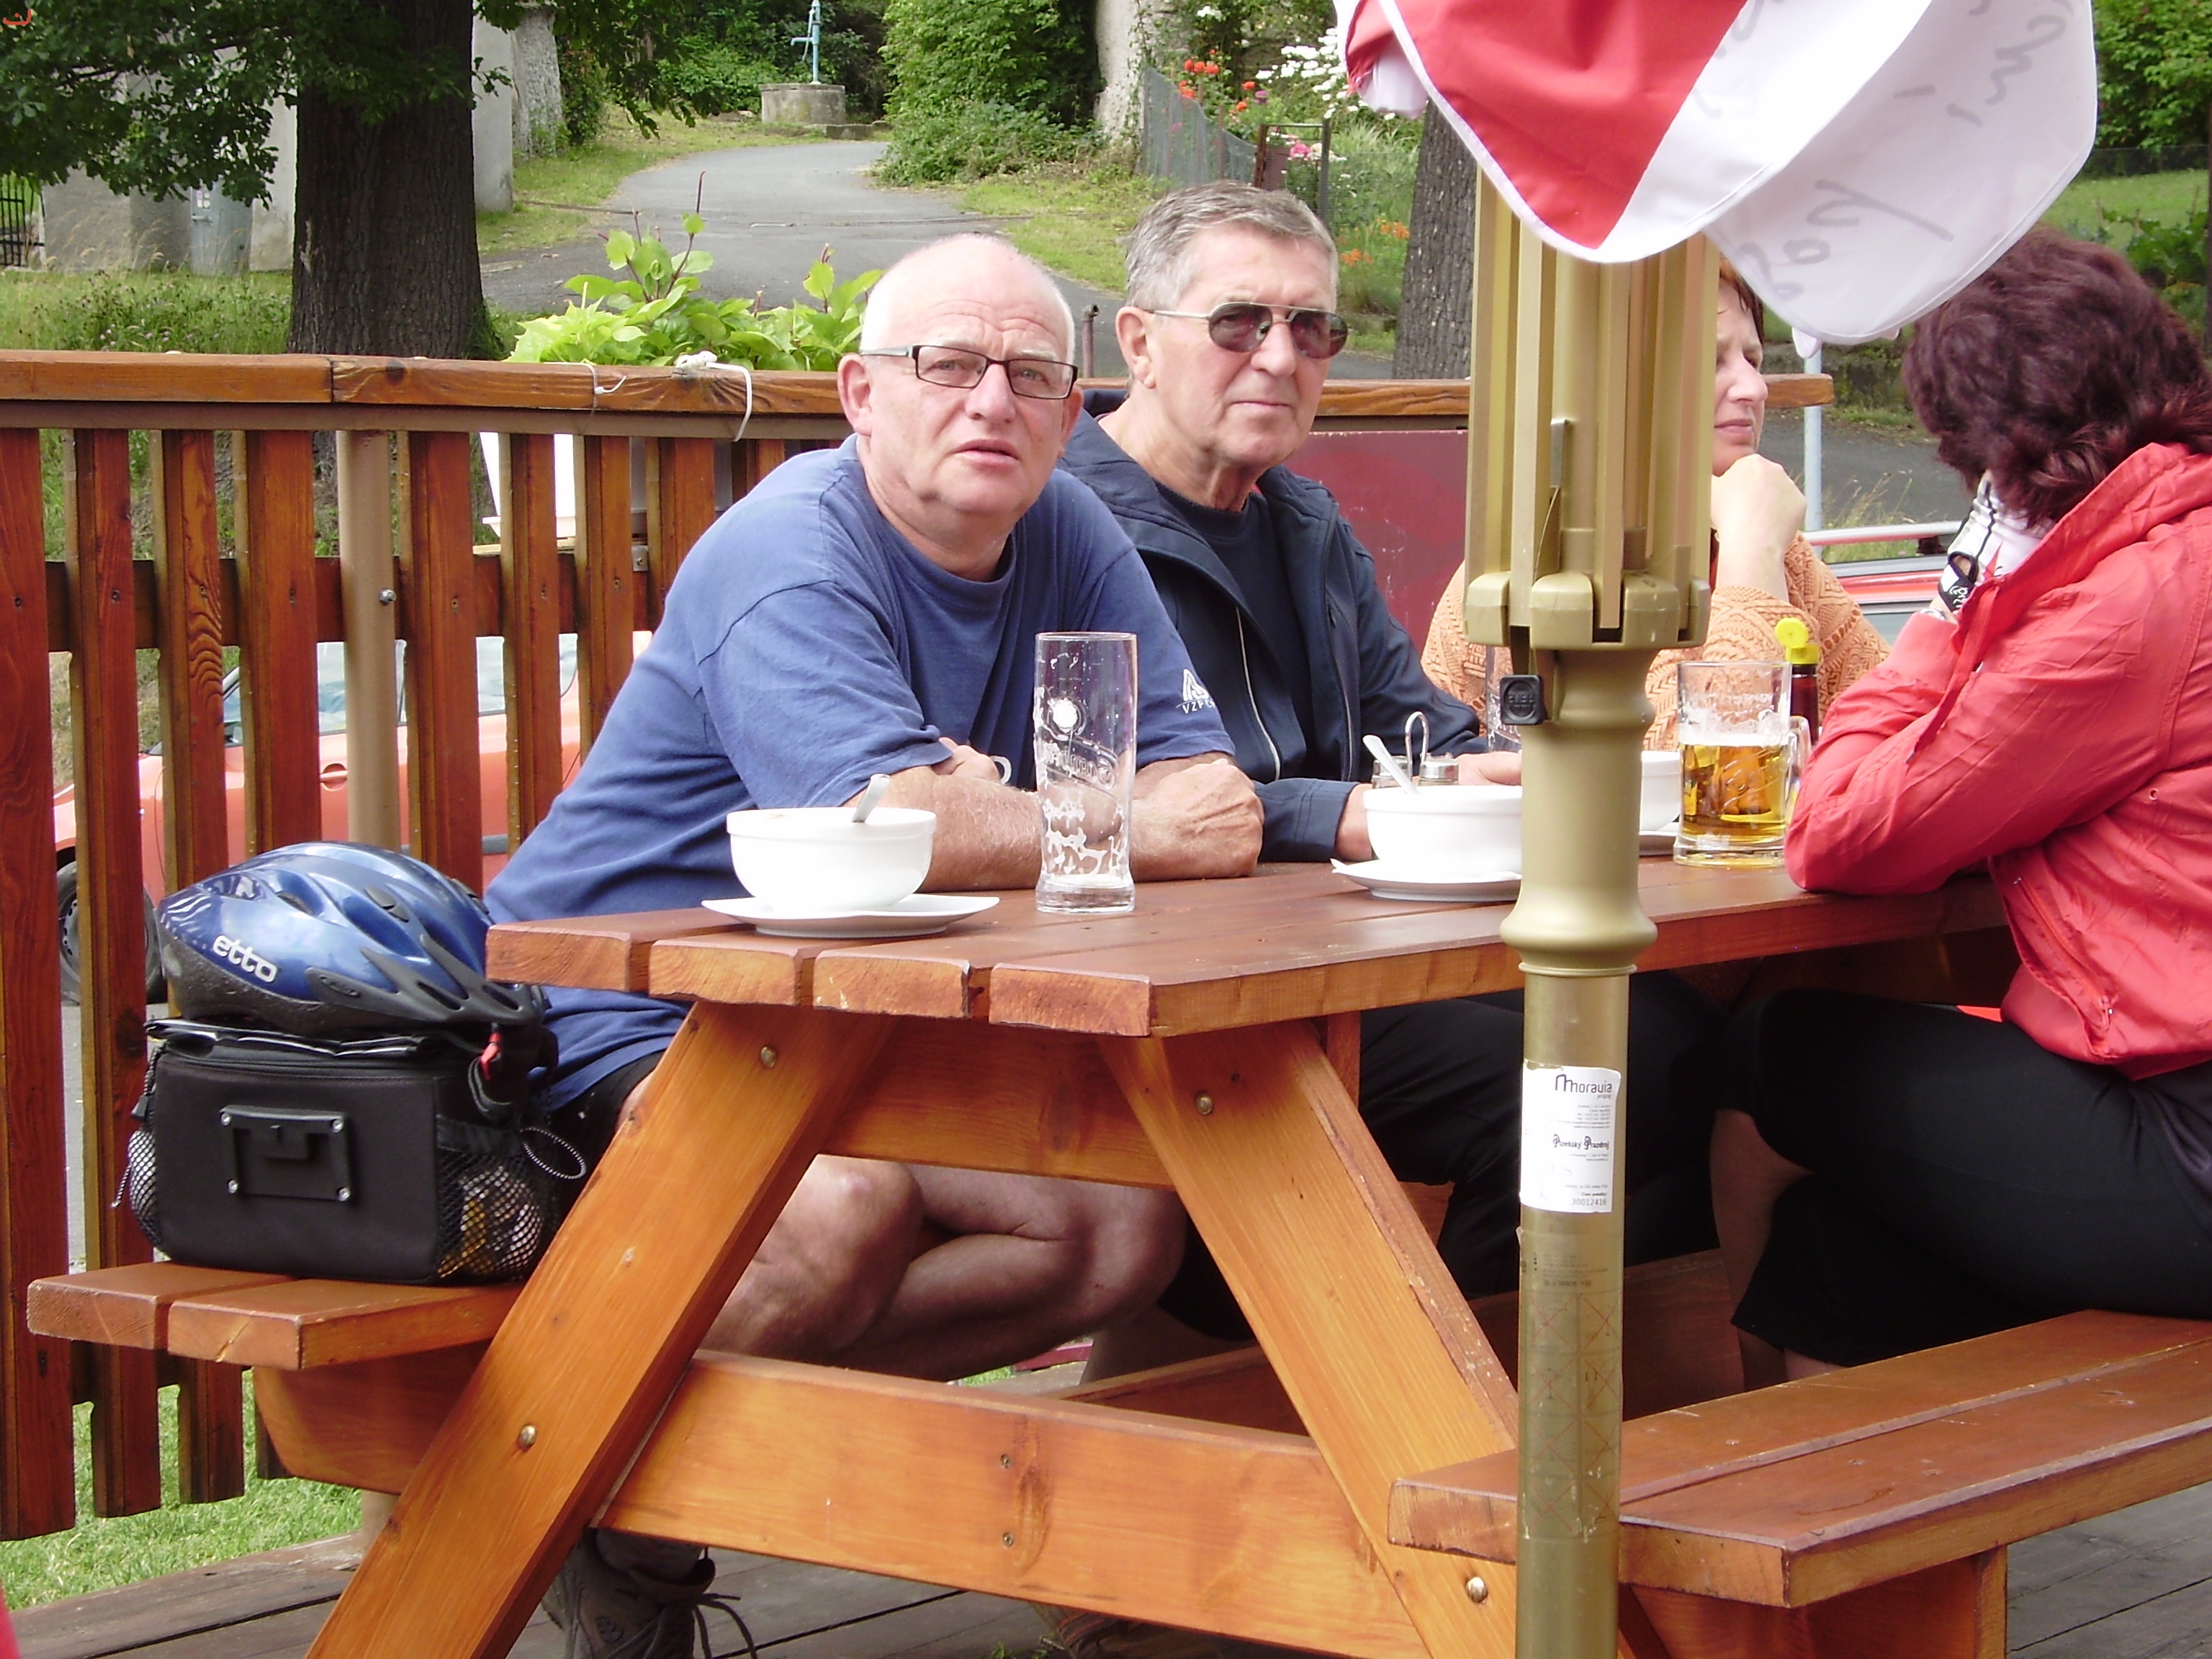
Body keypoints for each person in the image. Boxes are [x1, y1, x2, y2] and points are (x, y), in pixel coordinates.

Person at [487, 233, 1263, 1659]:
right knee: (836, 1212)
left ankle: (607, 1466)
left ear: (1071, 407)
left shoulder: (1065, 529)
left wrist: (991, 804)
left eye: (1030, 373)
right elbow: (899, 824)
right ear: (860, 393)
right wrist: (997, 810)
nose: (992, 400)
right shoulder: (791, 548)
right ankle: (582, 1492)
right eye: (948, 364)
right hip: (625, 1014)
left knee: (1116, 1223)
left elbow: (1210, 799)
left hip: (856, 1013)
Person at [1058, 181, 1723, 1370]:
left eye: (1312, 328)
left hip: (1331, 962)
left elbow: (1421, 731)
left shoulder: (1304, 523)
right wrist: (1349, 812)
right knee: (1567, 1079)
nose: (1280, 357)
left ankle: (1542, 1395)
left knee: (1671, 1034)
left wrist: (1505, 772)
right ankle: (1436, 1405)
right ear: (1139, 342)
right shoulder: (1060, 524)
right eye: (1239, 322)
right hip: (1167, 997)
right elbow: (1095, 791)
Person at [1709, 228, 2212, 1388]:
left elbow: (1836, 835)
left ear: (1999, 459)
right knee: (1840, 1248)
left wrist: (1951, 605)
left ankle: (1720, 1420)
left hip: (2189, 1144)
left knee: (1771, 1053)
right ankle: (1779, 1471)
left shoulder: (2126, 611)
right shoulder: (2177, 542)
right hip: (2165, 1101)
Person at [1421, 258, 1889, 745]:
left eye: (1753, 360)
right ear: (1618, 392)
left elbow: (1896, 732)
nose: (1756, 388)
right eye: (1711, 362)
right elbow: (1709, 771)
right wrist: (1751, 554)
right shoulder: (1538, 576)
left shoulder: (1782, 558)